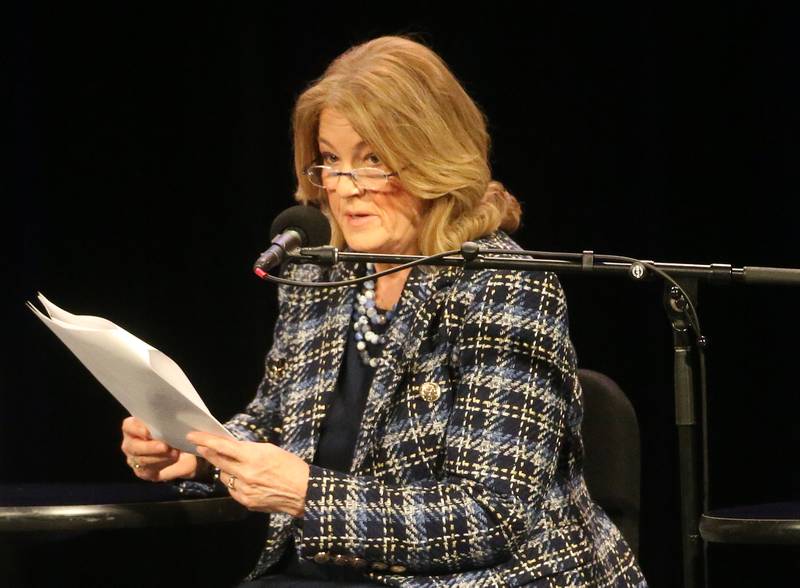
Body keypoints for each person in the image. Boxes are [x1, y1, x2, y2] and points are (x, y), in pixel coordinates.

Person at [120, 35, 647, 586]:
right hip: (333, 571)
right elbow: (279, 421)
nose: (346, 188)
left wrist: (306, 492)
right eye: (330, 160)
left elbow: (489, 517)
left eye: (373, 160)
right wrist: (199, 450)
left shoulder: (503, 284)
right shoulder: (318, 271)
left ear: (434, 157)